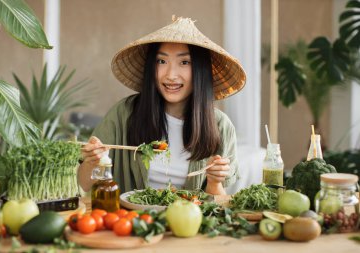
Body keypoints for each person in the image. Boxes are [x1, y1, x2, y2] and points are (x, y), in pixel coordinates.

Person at [78, 16, 246, 195]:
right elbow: (85, 185)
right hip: (131, 221)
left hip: (190, 221)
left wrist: (214, 182)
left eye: (184, 62)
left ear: (200, 70)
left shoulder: (220, 126)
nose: (171, 75)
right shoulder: (123, 113)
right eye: (161, 61)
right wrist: (91, 162)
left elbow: (217, 206)